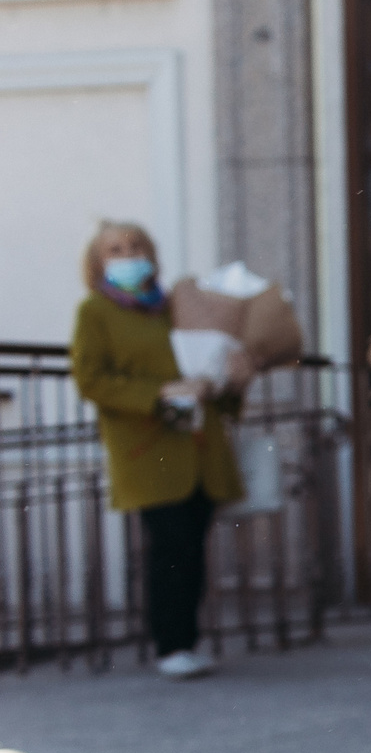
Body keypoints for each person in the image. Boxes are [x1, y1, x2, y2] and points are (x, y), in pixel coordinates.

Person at [70, 222, 243, 681]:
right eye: (116, 249)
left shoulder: (172, 308)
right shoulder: (95, 313)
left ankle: (186, 641)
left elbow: (208, 358)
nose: (128, 255)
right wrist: (158, 393)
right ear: (99, 261)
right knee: (169, 546)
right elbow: (92, 379)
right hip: (149, 449)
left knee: (192, 545)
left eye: (135, 246)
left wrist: (219, 383)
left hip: (198, 446)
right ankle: (171, 644)